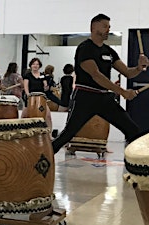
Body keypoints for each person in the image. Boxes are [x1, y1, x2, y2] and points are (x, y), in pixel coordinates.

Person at [52, 14, 149, 154]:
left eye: (109, 27)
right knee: (68, 133)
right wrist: (122, 92)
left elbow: (127, 72)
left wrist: (139, 68)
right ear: (93, 27)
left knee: (132, 129)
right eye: (105, 26)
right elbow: (96, 75)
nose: (108, 29)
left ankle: (140, 163)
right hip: (85, 97)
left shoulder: (109, 52)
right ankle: (42, 157)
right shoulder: (85, 48)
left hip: (104, 99)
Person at [21, 57, 53, 130]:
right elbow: (26, 87)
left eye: (37, 64)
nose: (35, 66)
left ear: (39, 66)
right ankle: (22, 132)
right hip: (30, 97)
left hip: (41, 98)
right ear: (31, 65)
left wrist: (46, 86)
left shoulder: (42, 75)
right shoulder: (27, 75)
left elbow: (45, 87)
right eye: (34, 64)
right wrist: (28, 95)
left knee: (48, 116)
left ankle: (49, 134)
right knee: (24, 116)